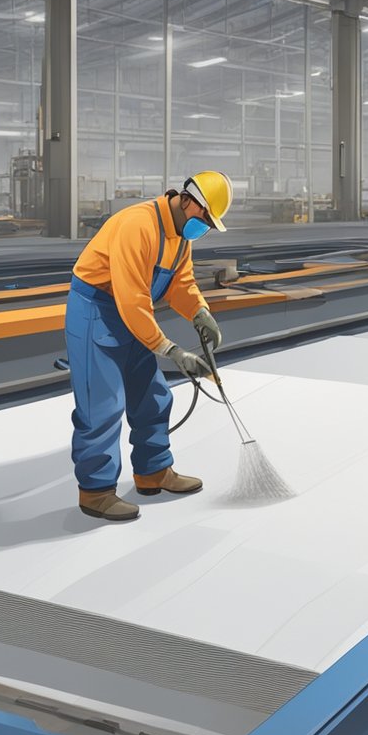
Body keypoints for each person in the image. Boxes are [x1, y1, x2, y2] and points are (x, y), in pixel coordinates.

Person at [65, 171, 231, 521]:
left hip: (133, 311)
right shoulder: (137, 226)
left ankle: (153, 471)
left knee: (153, 395)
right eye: (205, 219)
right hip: (98, 309)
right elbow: (131, 299)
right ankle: (95, 491)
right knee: (103, 404)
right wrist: (170, 349)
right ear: (188, 201)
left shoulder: (180, 235)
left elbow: (180, 281)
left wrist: (200, 313)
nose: (205, 227)